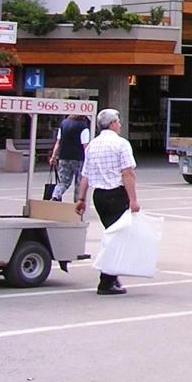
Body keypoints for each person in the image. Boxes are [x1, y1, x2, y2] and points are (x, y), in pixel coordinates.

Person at [74, 108, 140, 295]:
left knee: (112, 233)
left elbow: (85, 175)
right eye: (118, 121)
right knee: (116, 238)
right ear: (112, 124)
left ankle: (112, 276)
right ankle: (107, 280)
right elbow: (127, 173)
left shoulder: (93, 145)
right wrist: (133, 200)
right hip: (116, 194)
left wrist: (81, 198)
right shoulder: (121, 144)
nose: (119, 124)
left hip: (99, 196)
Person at [49, 114, 91, 202]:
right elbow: (85, 145)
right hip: (79, 158)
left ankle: (56, 195)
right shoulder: (83, 126)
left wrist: (53, 156)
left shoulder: (63, 124)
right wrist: (89, 159)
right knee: (79, 182)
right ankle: (77, 202)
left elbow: (58, 142)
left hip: (64, 157)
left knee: (63, 182)